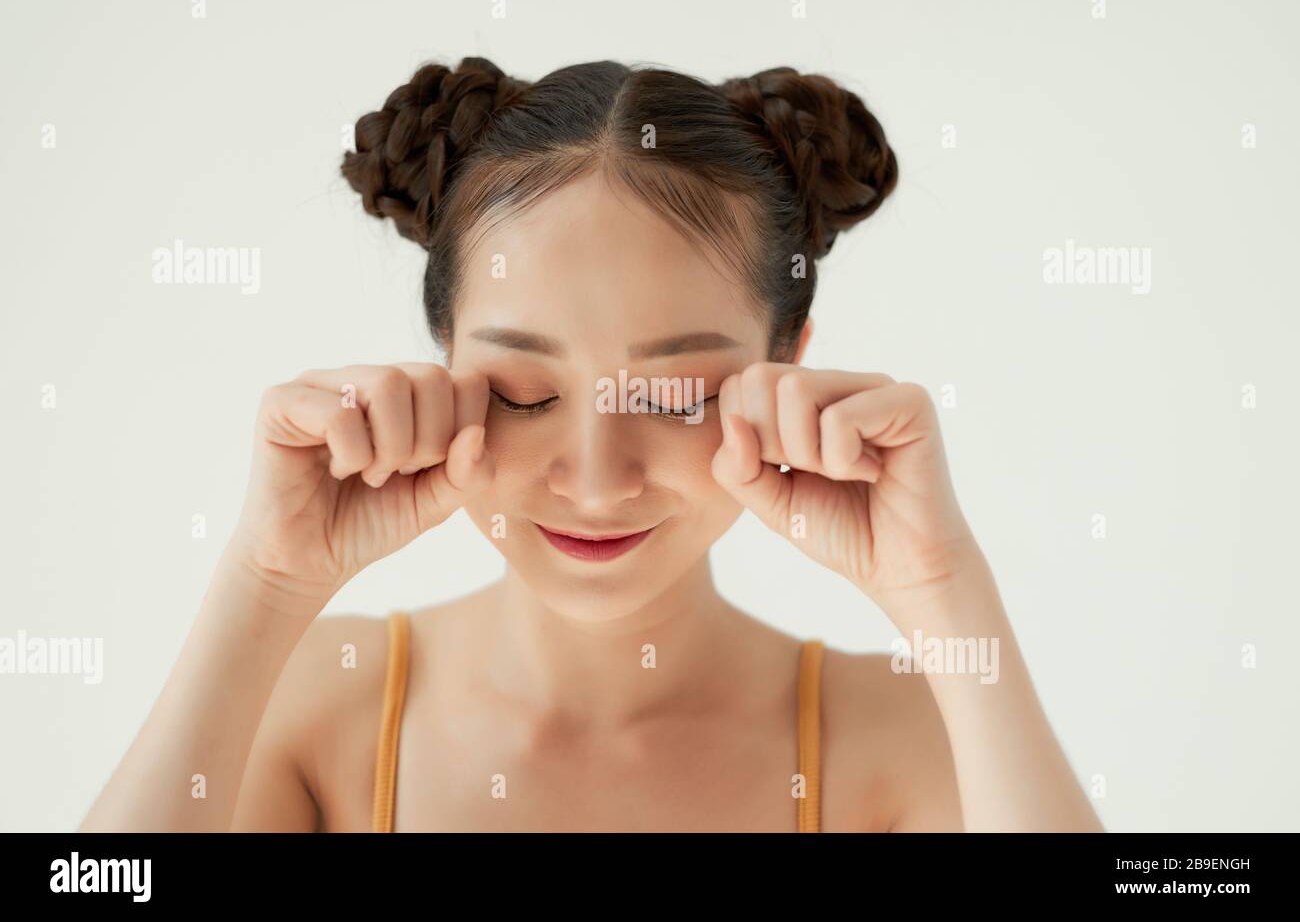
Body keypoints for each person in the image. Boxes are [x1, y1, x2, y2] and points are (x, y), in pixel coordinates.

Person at [80, 57, 1103, 832]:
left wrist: (942, 586)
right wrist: (262, 586)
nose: (597, 480)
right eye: (524, 393)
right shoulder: (314, 715)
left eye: (678, 394)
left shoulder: (898, 740)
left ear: (787, 364)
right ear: (442, 357)